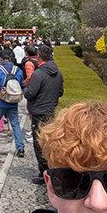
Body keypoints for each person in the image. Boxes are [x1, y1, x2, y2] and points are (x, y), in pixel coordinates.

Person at [23, 45, 63, 185]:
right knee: (49, 140)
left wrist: (25, 89)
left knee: (39, 142)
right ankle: (50, 169)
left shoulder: (38, 74)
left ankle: (44, 172)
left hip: (38, 111)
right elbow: (60, 92)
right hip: (50, 109)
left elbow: (30, 93)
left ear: (39, 56)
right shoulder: (58, 73)